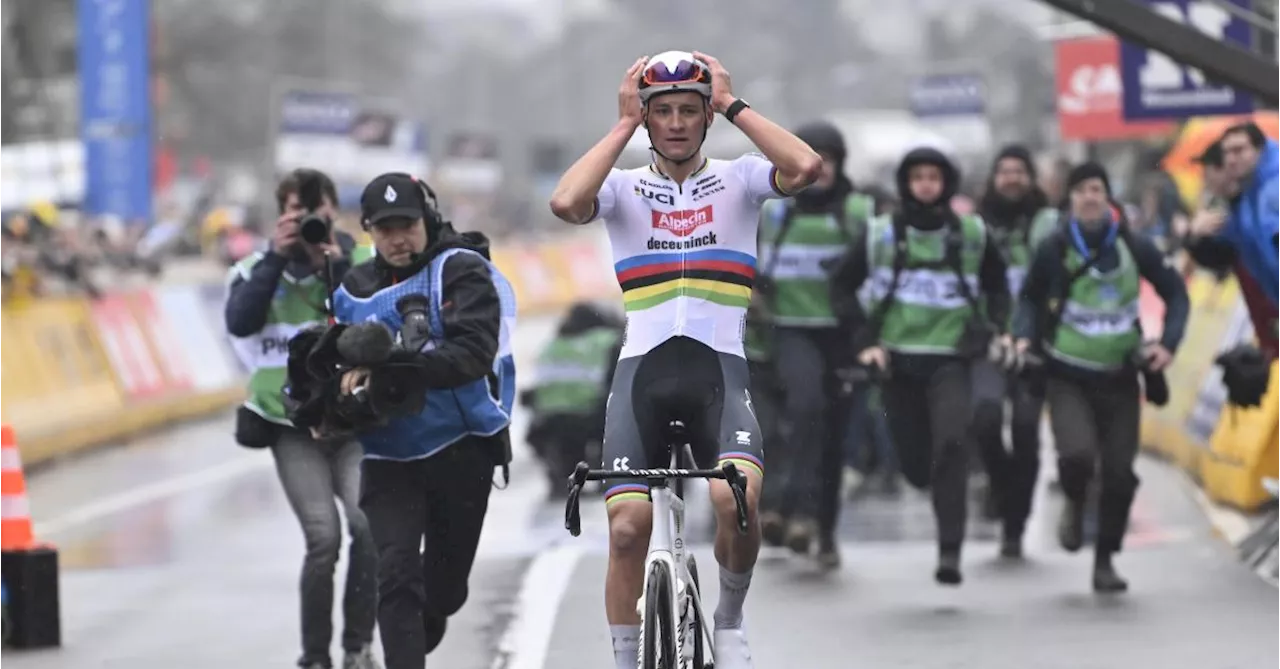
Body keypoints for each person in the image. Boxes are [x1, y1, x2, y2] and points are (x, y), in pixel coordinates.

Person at [548, 50, 822, 669]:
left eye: (689, 111)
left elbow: (804, 166)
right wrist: (621, 125)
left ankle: (727, 620)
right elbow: (566, 203)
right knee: (624, 531)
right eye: (662, 111)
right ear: (648, 120)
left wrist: (732, 103)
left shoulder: (742, 178)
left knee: (736, 501)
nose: (675, 122)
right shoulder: (621, 189)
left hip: (718, 373)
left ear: (706, 119)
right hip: (641, 375)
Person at [328, 173, 517, 669]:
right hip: (388, 456)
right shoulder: (350, 289)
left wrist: (392, 365)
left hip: (462, 449)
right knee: (395, 575)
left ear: (427, 219)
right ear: (368, 229)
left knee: (444, 592)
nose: (397, 238)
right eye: (384, 228)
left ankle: (425, 621)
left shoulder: (460, 270)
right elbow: (333, 360)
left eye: (407, 225)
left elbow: (473, 353)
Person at [829, 146, 1012, 586]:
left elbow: (999, 287)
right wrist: (866, 342)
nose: (926, 184)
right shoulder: (880, 234)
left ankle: (950, 551)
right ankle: (922, 476)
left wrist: (991, 329)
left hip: (951, 361)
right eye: (918, 177)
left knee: (951, 446)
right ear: (906, 183)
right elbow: (841, 286)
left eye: (934, 176)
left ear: (946, 183)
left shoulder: (972, 232)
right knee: (914, 465)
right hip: (897, 365)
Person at [224, 169, 380, 669]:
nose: (307, 220)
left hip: (354, 419)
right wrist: (277, 256)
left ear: (334, 211)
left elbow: (370, 321)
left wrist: (330, 263)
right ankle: (315, 657)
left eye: (315, 211)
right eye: (295, 211)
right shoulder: (256, 267)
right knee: (323, 537)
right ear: (281, 215)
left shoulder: (360, 261)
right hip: (290, 423)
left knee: (367, 525)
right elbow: (240, 321)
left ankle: (357, 647)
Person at [1013, 162, 1189, 592]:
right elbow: (1030, 300)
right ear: (1070, 200)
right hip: (1067, 374)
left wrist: (1166, 343)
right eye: (1081, 191)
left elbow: (1176, 294)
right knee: (1076, 457)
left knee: (1119, 473)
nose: (1089, 197)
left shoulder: (1134, 244)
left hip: (1121, 377)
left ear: (1108, 197)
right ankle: (1075, 501)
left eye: (1097, 189)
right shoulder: (1054, 247)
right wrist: (1021, 337)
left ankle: (1105, 560)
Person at [752, 120, 875, 569]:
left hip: (843, 335)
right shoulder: (776, 212)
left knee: (836, 435)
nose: (819, 170)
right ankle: (787, 507)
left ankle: (822, 529)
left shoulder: (860, 212)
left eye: (829, 160)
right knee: (805, 409)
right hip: (791, 329)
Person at [970, 144, 1060, 558]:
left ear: (1031, 179)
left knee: (1026, 430)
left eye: (1019, 171)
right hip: (987, 341)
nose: (1012, 179)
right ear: (992, 178)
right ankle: (1000, 484)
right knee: (986, 419)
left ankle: (1015, 523)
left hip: (1033, 345)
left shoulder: (1049, 225)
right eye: (1004, 171)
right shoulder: (973, 226)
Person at [522, 301, 623, 498]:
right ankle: (609, 476)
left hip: (546, 423)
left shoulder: (553, 344)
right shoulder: (609, 341)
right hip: (591, 418)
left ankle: (561, 476)